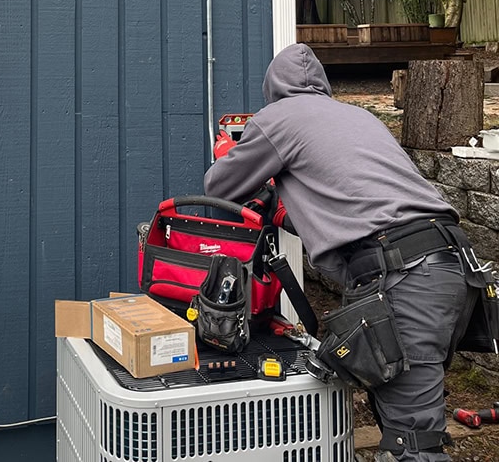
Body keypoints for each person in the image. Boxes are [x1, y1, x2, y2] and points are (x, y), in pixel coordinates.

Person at [204, 43, 484, 462]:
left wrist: (228, 153)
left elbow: (220, 188)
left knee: (414, 440)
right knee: (401, 408)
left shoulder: (278, 117)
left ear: (273, 90)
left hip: (405, 274)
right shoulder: (358, 116)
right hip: (449, 266)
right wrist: (285, 214)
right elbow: (356, 201)